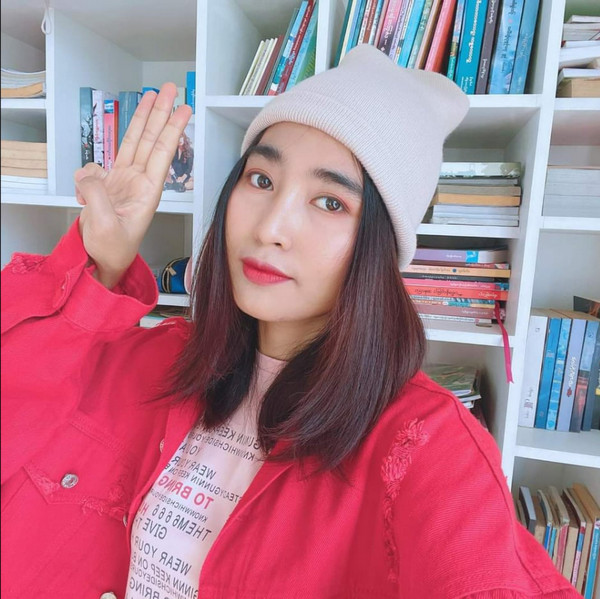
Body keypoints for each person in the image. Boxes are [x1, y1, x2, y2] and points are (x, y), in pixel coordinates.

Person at [1, 44, 579, 599]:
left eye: (331, 202)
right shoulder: (158, 357)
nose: (270, 227)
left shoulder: (427, 445)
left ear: (378, 250)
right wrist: (98, 267)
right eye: (261, 180)